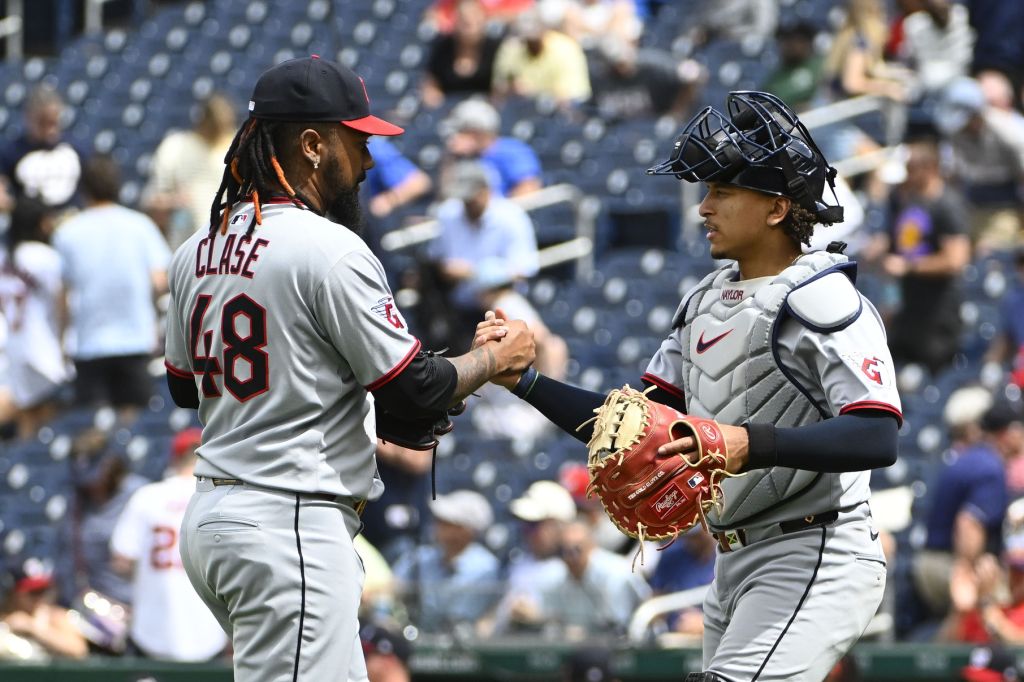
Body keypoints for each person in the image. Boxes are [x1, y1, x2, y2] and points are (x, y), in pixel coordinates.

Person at [476, 91, 901, 681]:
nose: (704, 207)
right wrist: (521, 380)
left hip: (815, 549)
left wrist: (746, 443)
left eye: (722, 191)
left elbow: (876, 435)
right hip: (732, 562)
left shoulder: (822, 295)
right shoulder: (703, 301)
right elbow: (631, 426)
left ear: (777, 208)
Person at [163, 56, 535, 682]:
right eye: (357, 140)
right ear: (312, 144)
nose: (368, 160)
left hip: (213, 523)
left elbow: (183, 387)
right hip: (289, 520)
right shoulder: (329, 249)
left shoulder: (195, 249)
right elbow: (414, 387)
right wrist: (495, 359)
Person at [53, 154, 171, 413]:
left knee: (92, 427)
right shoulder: (139, 225)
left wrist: (61, 341)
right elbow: (161, 281)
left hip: (89, 344)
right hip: (135, 339)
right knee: (133, 424)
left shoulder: (68, 231)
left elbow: (62, 294)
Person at [110, 427, 228, 662]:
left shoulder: (148, 496)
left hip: (152, 632)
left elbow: (121, 562)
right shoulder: (222, 499)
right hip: (209, 634)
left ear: (175, 459)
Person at [862, 138, 971, 375]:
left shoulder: (947, 205)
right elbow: (902, 239)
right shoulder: (907, 199)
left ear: (930, 168)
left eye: (912, 170)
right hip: (907, 305)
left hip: (937, 310)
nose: (907, 176)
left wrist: (909, 266)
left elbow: (956, 260)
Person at [429, 160, 539, 348]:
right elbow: (437, 260)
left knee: (541, 339)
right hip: (457, 302)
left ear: (485, 190)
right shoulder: (449, 213)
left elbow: (524, 268)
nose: (467, 203)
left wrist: (478, 273)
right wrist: (449, 271)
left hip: (501, 298)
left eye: (471, 197)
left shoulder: (511, 215)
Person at [0, 197, 70, 439]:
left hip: (16, 346)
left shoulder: (5, 257)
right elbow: (63, 303)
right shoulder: (42, 255)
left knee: (27, 419)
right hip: (44, 347)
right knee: (52, 420)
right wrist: (64, 344)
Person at [392, 489, 501, 631]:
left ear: (467, 530)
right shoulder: (421, 557)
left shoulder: (485, 567)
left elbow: (460, 616)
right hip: (419, 640)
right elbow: (391, 586)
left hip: (463, 645)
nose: (438, 526)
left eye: (447, 522)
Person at [142, 93, 239, 250]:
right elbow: (151, 201)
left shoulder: (239, 147)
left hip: (229, 246)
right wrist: (174, 201)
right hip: (186, 246)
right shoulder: (176, 146)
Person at [539, 519, 651, 637]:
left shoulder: (613, 575)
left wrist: (580, 633)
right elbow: (552, 623)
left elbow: (616, 628)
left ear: (591, 547)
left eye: (576, 549)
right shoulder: (559, 579)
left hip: (637, 643)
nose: (570, 556)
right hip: (588, 646)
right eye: (564, 551)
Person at [0, 85, 85, 212]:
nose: (50, 130)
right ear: (29, 118)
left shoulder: (76, 148)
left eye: (54, 122)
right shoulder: (12, 151)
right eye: (43, 123)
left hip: (70, 221)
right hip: (31, 226)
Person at [492, 7, 592, 107]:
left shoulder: (565, 48)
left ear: (544, 29)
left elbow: (572, 95)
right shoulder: (512, 48)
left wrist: (533, 92)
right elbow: (498, 89)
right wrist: (511, 88)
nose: (531, 43)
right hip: (519, 108)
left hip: (560, 112)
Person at [443, 98, 543, 198]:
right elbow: (446, 196)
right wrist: (452, 159)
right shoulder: (461, 157)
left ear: (478, 132)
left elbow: (529, 189)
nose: (457, 138)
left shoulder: (511, 150)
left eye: (463, 132)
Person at [422, 0, 504, 108]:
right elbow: (429, 83)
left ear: (483, 18)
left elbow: (502, 87)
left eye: (474, 16)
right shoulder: (440, 46)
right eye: (463, 17)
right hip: (448, 111)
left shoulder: (498, 48)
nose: (469, 21)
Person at [0, 566, 87, 659]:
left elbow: (79, 650)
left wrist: (33, 628)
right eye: (34, 592)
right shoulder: (4, 617)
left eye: (43, 591)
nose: (39, 598)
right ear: (14, 593)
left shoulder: (55, 616)